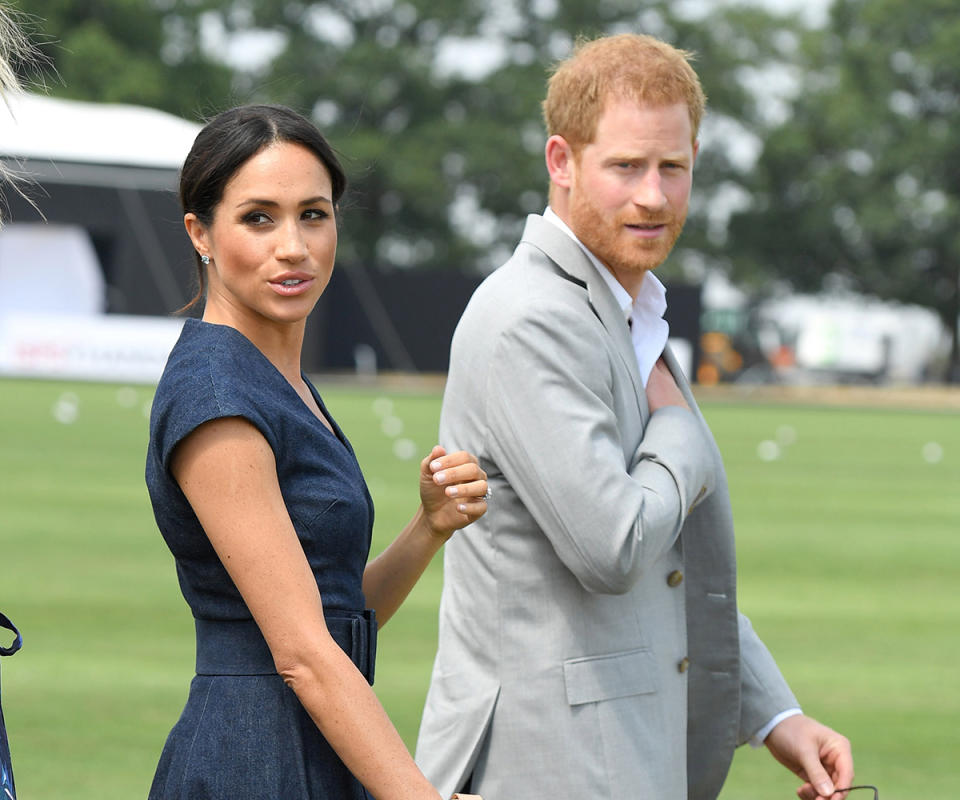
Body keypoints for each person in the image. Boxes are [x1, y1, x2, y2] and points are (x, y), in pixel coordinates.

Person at [415, 33, 853, 800]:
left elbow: (669, 577)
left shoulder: (626, 306)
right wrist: (682, 432)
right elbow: (614, 546)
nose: (652, 195)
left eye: (672, 168)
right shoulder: (531, 318)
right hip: (547, 767)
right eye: (625, 166)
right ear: (562, 161)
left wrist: (777, 715)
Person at [145, 104, 489, 800]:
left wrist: (427, 529)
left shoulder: (278, 380)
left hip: (320, 741)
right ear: (200, 233)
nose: (294, 246)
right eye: (259, 217)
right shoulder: (218, 395)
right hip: (255, 758)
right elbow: (301, 651)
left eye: (314, 214)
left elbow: (332, 616)